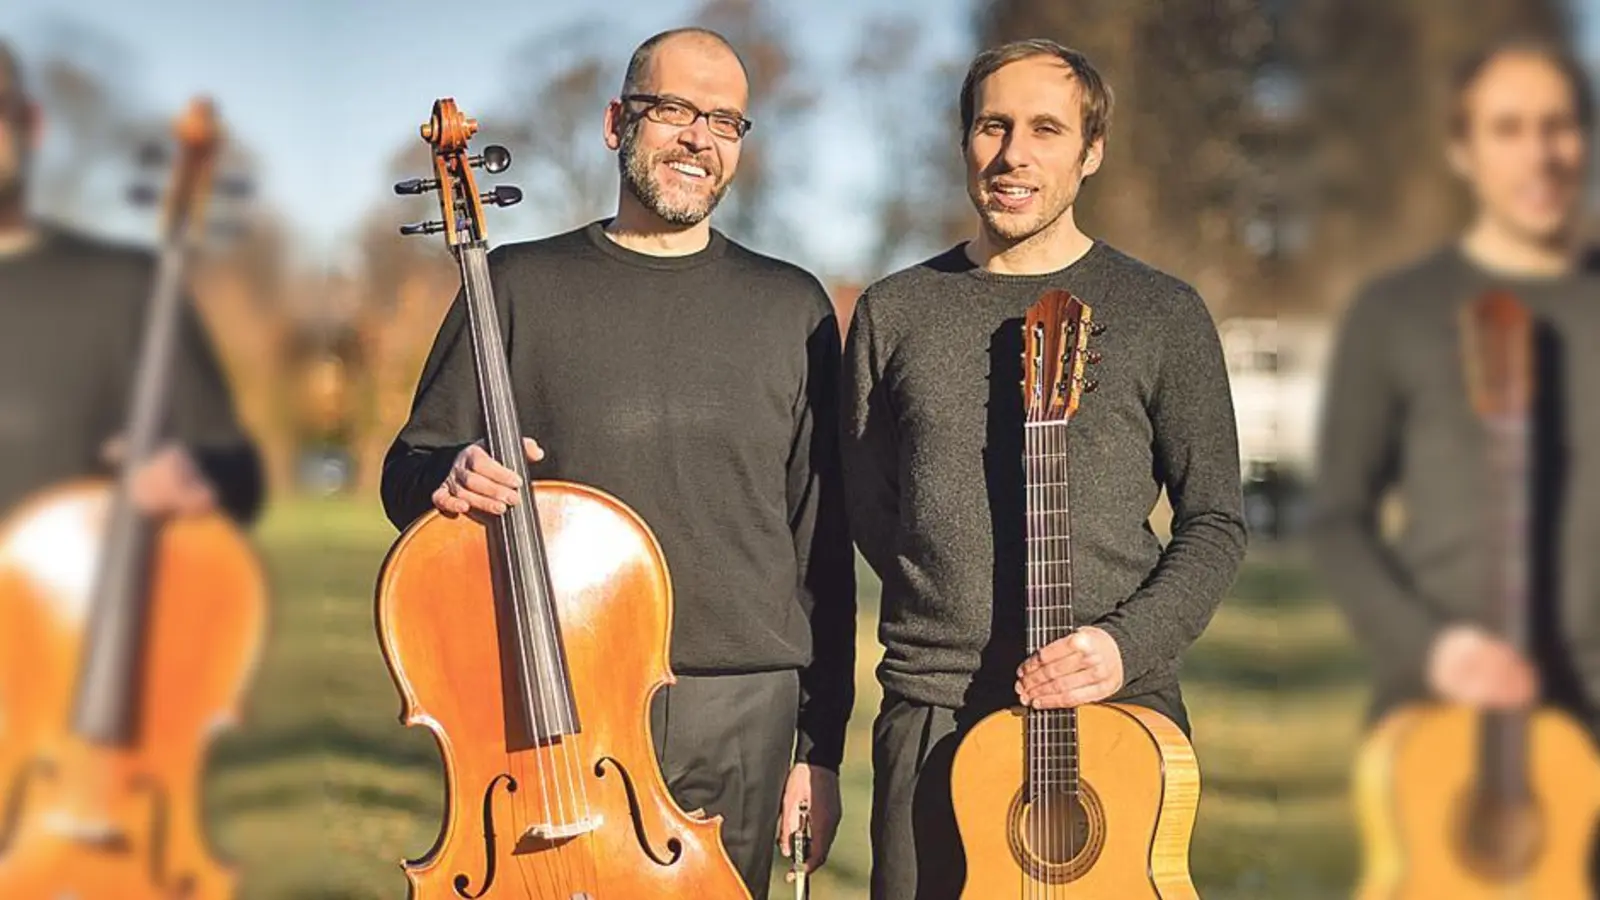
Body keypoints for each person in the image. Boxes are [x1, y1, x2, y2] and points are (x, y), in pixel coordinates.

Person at [379, 27, 855, 898]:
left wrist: (818, 751)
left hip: (742, 708)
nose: (698, 139)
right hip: (559, 703)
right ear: (616, 122)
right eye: (674, 109)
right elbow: (406, 473)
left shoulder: (793, 306)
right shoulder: (515, 285)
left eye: (725, 121)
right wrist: (449, 473)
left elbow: (821, 542)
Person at [840, 38, 1247, 899]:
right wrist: (943, 611)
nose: (1013, 153)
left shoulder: (1163, 312)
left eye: (1046, 129)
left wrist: (1120, 644)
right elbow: (871, 507)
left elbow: (1214, 520)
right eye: (993, 125)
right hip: (934, 713)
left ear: (1090, 151)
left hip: (1113, 714)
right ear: (964, 143)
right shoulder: (895, 310)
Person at [1313, 38, 1599, 733]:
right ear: (1463, 150)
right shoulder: (1394, 312)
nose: (1540, 154)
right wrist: (1434, 650)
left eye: (1558, 125)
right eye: (1508, 128)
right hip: (1444, 721)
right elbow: (1338, 523)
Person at [0, 40, 262, 526]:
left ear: (30, 123)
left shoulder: (125, 285)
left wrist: (190, 477)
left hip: (72, 598)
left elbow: (236, 473)